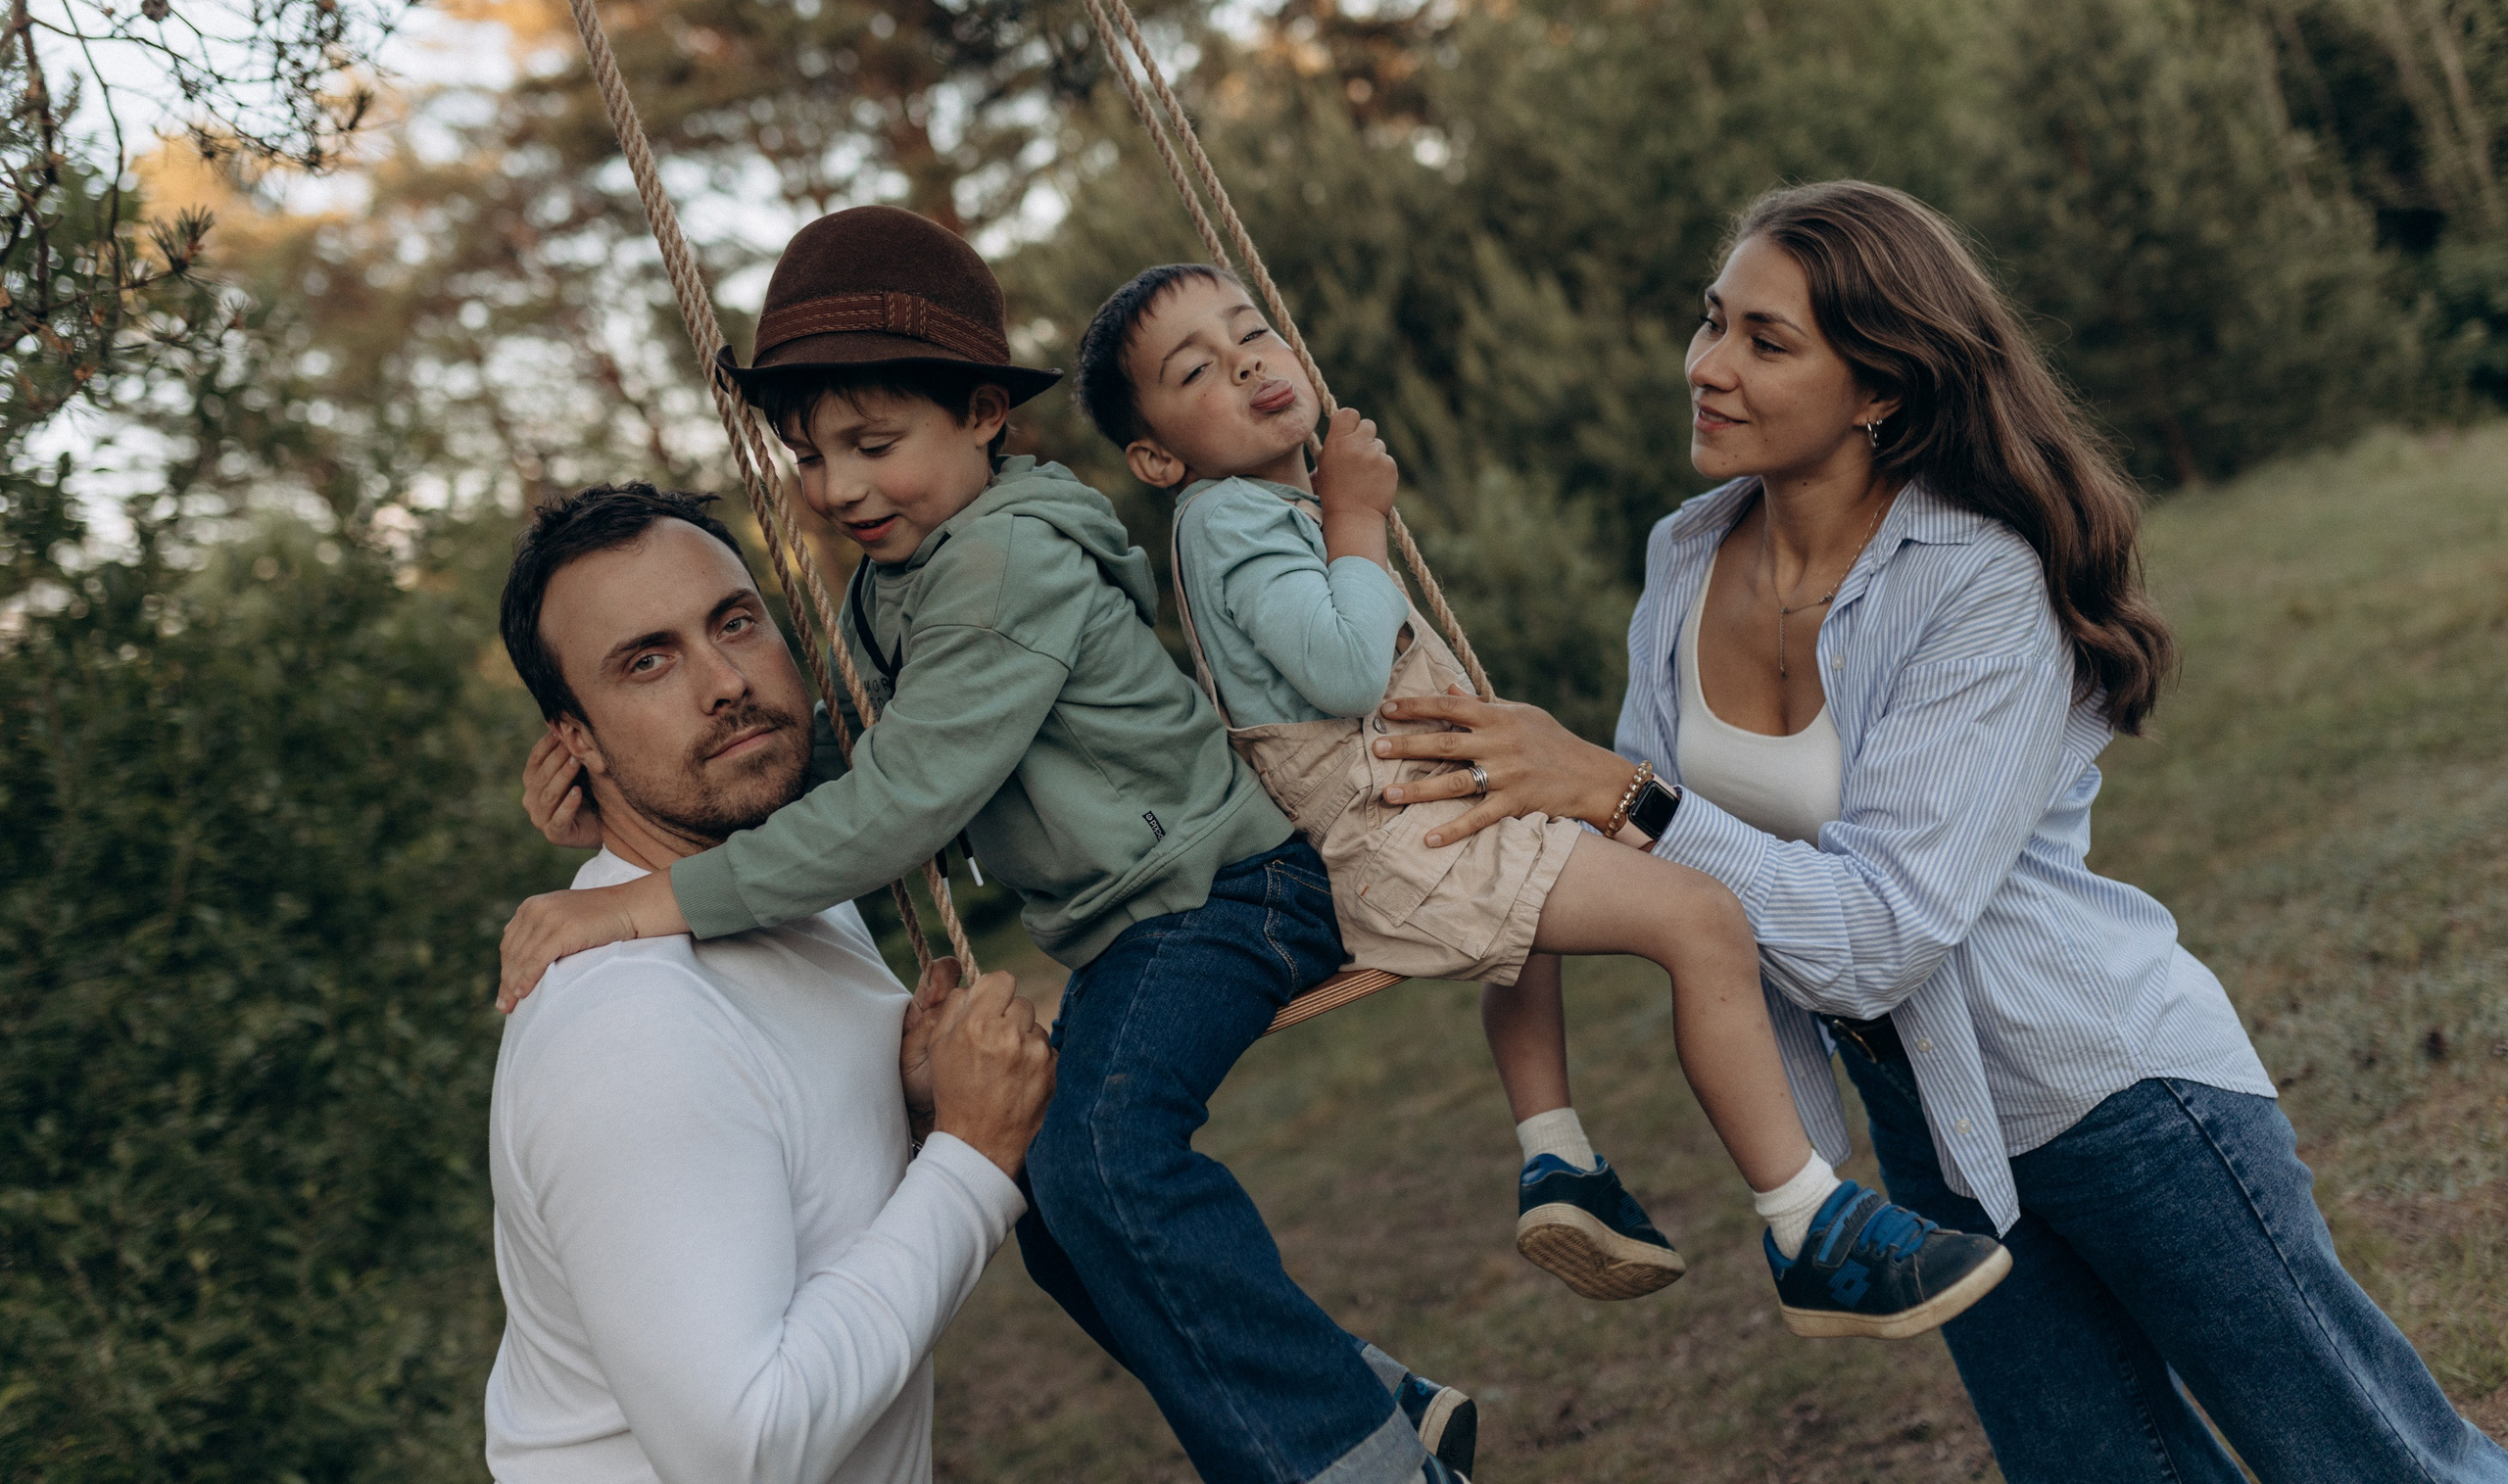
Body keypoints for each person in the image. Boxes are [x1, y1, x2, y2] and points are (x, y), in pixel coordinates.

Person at [1363, 179, 2508, 1484]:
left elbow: (1876, 935)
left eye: (1764, 339)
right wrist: (1426, 865)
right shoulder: (1684, 557)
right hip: (1926, 1129)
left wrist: (1613, 790)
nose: (1708, 366)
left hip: (2114, 1089)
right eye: (1710, 321)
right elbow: (1634, 859)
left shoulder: (1982, 580)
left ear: (1881, 391)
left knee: (2369, 1457)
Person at [493, 208, 1476, 1484]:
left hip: (1225, 893)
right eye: (810, 455)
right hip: (1146, 913)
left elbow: (900, 801)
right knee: (1062, 1208)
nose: (840, 487)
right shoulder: (892, 580)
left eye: (874, 444)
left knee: (1099, 1161)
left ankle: (1358, 1457)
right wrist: (622, 839)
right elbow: (849, 762)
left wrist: (640, 897)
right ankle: (1359, 1390)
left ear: (981, 414)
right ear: (578, 730)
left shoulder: (1006, 562)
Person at [1070, 262, 2012, 1339]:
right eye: (1195, 368)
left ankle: (1557, 1159)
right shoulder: (1231, 519)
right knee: (1702, 916)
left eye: (1252, 334)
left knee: (1539, 927)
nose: (1244, 363)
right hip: (1407, 829)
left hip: (1427, 807)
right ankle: (1809, 1226)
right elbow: (1339, 670)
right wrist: (1358, 519)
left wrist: (1339, 519)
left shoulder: (1260, 508)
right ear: (1154, 454)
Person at [482, 481, 1057, 1483]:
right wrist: (970, 1156)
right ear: (573, 739)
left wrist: (913, 1108)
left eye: (733, 622)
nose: (722, 682)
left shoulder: (780, 892)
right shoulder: (625, 1030)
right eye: (647, 661)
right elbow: (743, 1449)